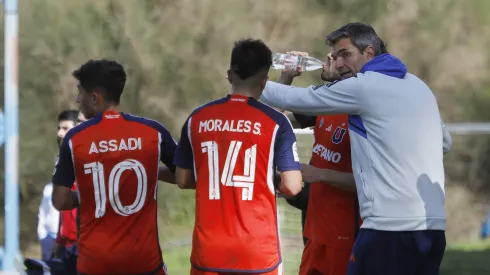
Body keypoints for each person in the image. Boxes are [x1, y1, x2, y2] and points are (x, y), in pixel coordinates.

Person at [260, 23, 451, 275]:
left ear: (369, 53)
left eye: (345, 54)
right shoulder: (417, 85)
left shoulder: (363, 87)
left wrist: (249, 76)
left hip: (387, 227)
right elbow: (445, 142)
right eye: (335, 56)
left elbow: (290, 98)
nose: (338, 63)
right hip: (432, 227)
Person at [173, 38, 303, 275]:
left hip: (208, 252)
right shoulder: (277, 123)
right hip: (257, 254)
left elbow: (182, 179)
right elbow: (293, 186)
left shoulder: (197, 118)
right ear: (264, 82)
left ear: (230, 75)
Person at [51, 59, 177, 275]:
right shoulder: (153, 132)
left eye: (80, 92)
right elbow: (186, 177)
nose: (77, 99)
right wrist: (148, 171)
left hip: (95, 265)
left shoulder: (75, 139)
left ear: (94, 97)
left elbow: (60, 200)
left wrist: (84, 196)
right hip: (145, 264)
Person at [37, 110, 80, 261]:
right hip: (67, 245)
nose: (60, 133)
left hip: (82, 244)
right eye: (59, 128)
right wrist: (60, 241)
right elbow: (63, 206)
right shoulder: (62, 160)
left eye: (65, 128)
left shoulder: (87, 160)